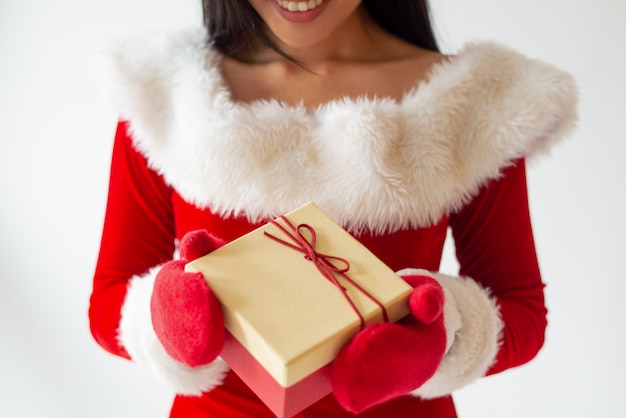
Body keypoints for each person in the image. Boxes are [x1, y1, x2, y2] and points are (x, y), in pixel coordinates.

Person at [89, 0, 578, 416]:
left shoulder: (476, 101)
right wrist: (166, 316)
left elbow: (522, 310)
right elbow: (109, 300)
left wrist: (440, 336)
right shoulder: (166, 94)